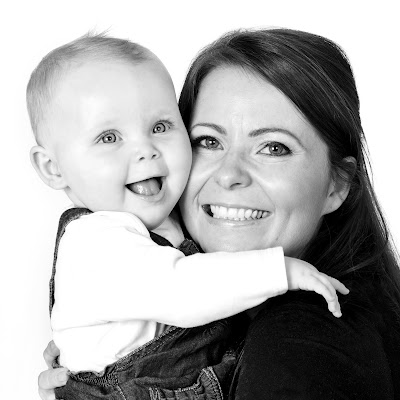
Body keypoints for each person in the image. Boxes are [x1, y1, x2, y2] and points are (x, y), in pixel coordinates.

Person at [38, 28, 400, 399]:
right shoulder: (117, 244)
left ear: (337, 185)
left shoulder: (299, 348)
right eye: (209, 141)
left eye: (273, 147)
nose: (229, 175)